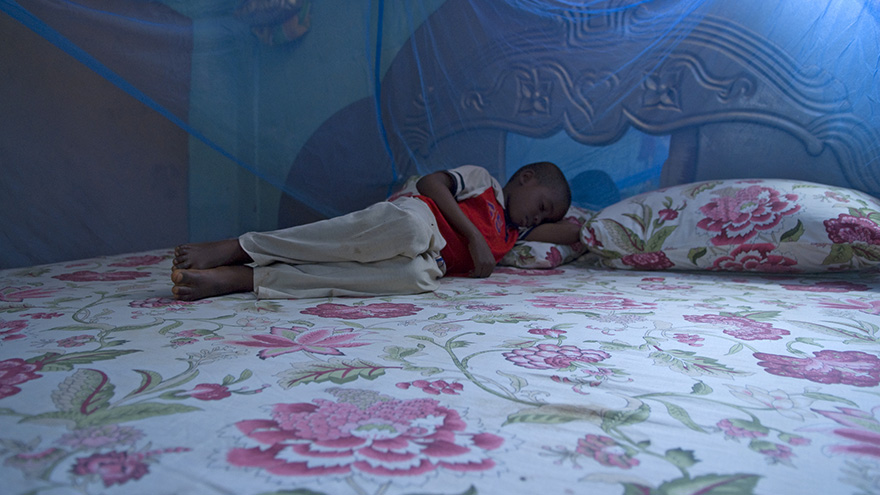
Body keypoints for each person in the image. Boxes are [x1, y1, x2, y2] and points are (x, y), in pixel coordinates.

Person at [171, 162, 579, 301]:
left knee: (414, 278)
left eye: (544, 219)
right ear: (525, 178)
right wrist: (473, 237)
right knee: (407, 232)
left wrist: (571, 222)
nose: (536, 221)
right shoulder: (484, 182)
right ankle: (242, 246)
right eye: (540, 207)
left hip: (430, 263)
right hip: (421, 219)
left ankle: (250, 278)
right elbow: (430, 184)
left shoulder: (514, 235)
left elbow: (574, 232)